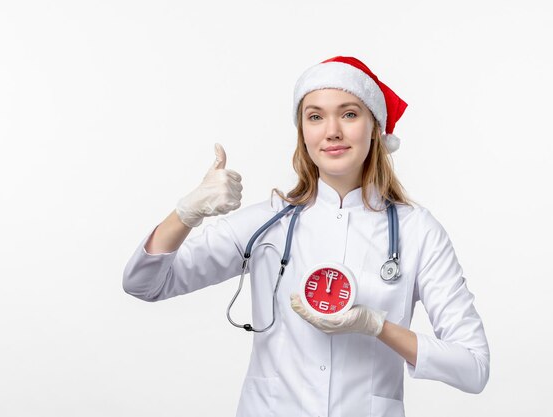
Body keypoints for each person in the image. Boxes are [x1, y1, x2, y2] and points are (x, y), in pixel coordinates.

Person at [122, 56, 490, 417]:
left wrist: (377, 326)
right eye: (315, 116)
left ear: (375, 128)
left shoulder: (417, 231)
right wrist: (187, 212)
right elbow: (145, 284)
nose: (332, 131)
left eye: (349, 114)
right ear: (303, 132)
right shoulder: (267, 222)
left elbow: (473, 367)